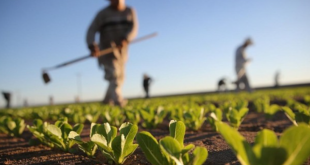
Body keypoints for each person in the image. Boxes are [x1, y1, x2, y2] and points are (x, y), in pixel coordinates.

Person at [86, 0, 138, 107]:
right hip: (107, 50)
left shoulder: (130, 11)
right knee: (114, 75)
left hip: (122, 52)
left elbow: (133, 28)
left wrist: (126, 38)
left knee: (121, 77)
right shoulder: (102, 14)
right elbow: (91, 30)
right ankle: (118, 101)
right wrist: (92, 45)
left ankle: (106, 101)